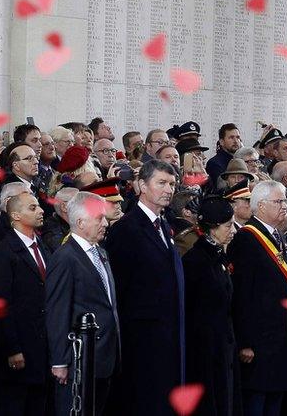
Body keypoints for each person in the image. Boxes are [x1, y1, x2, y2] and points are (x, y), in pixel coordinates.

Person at [104, 159, 185, 415]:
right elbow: (119, 289)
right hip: (140, 341)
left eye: (172, 184)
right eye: (161, 183)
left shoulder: (164, 225)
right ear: (141, 185)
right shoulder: (126, 229)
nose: (168, 189)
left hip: (168, 336)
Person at [46, 192, 121, 415]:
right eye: (100, 218)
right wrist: (60, 360)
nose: (105, 224)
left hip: (105, 356)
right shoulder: (65, 257)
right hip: (79, 360)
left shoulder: (101, 252)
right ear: (80, 222)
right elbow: (57, 310)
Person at [227, 180, 287, 415]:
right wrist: (245, 341)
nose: (285, 206)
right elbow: (242, 294)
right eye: (279, 201)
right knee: (257, 404)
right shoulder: (247, 239)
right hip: (258, 343)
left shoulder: (278, 236)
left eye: (285, 200)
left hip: (279, 340)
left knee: (273, 404)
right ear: (261, 205)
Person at [0, 192, 52, 415]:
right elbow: (1, 304)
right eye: (32, 208)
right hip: (18, 351)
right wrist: (13, 349)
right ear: (15, 215)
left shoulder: (42, 247)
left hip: (42, 349)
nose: (41, 211)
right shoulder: (3, 253)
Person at [181, 196, 240, 416]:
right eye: (228, 226)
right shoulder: (195, 262)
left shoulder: (218, 256)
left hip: (223, 345)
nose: (233, 230)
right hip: (204, 350)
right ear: (212, 228)